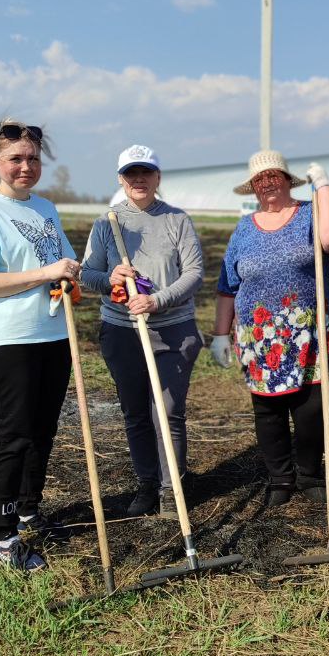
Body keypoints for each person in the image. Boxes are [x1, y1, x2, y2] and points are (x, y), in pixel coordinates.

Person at [0, 120, 80, 572]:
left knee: (44, 430)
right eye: (15, 158)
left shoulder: (46, 208)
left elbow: (65, 265)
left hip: (54, 336)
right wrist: (45, 274)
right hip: (12, 341)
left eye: (32, 158)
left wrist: (105, 278)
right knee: (13, 437)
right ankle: (4, 536)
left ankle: (29, 508)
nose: (25, 166)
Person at [211, 150, 329, 505]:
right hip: (260, 337)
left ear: (289, 180)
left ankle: (309, 474)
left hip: (305, 331)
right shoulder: (244, 229)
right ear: (253, 188)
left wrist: (323, 185)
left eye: (274, 176)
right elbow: (228, 285)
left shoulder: (310, 214)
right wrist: (220, 334)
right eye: (260, 179)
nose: (268, 183)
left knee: (310, 409)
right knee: (268, 411)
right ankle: (280, 479)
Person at [80, 146, 204, 518]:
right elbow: (87, 275)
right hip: (122, 332)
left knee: (167, 411)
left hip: (173, 330)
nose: (138, 179)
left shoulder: (177, 220)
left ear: (158, 177)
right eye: (131, 173)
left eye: (146, 172)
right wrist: (110, 278)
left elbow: (194, 273)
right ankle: (147, 485)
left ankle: (172, 490)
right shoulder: (108, 223)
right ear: (120, 178)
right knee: (135, 412)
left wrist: (158, 301)